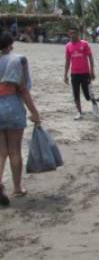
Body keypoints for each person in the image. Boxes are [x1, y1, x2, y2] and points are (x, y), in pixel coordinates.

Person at [0, 32, 41, 205]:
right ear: (11, 43)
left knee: (1, 151)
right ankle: (17, 188)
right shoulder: (19, 59)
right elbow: (23, 89)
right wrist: (35, 112)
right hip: (12, 105)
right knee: (14, 150)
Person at [64, 29, 99, 120]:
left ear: (78, 34)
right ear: (69, 34)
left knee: (88, 95)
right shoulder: (68, 46)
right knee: (76, 94)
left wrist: (92, 70)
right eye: (71, 33)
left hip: (85, 73)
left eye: (74, 33)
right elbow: (67, 61)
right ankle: (79, 112)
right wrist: (65, 75)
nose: (72, 35)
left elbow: (90, 57)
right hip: (74, 74)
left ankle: (94, 104)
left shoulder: (84, 44)